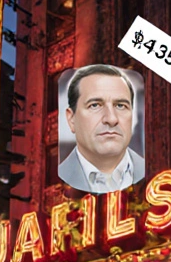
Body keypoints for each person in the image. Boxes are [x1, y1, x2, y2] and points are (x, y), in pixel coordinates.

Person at [58, 64, 145, 193]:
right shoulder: (57, 181)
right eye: (95, 105)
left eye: (120, 106)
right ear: (71, 119)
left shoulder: (154, 174)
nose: (111, 119)